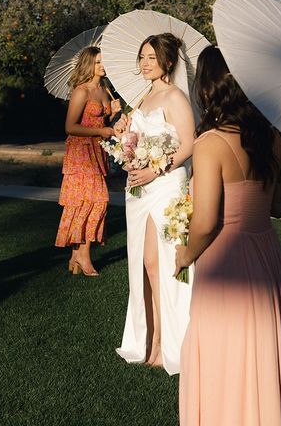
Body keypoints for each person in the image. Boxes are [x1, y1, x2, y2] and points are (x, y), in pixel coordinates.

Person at [175, 45, 281, 425]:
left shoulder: (210, 144)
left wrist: (185, 255)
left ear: (209, 87)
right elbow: (278, 208)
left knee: (223, 351)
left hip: (225, 259)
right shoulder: (272, 140)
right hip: (264, 254)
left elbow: (206, 222)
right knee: (259, 348)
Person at [114, 33, 195, 374]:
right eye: (142, 57)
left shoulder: (175, 96)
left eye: (151, 58)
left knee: (162, 263)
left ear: (169, 62)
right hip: (140, 190)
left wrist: (154, 170)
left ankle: (166, 343)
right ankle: (148, 337)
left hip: (165, 187)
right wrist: (122, 136)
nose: (144, 63)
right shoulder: (144, 97)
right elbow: (136, 141)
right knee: (145, 264)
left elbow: (190, 144)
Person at [55, 47, 121, 276]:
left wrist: (113, 113)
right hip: (81, 152)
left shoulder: (105, 89)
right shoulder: (81, 91)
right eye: (97, 62)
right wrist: (101, 129)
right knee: (94, 201)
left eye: (104, 61)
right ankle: (83, 255)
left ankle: (76, 255)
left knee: (92, 202)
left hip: (97, 152)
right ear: (88, 65)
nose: (102, 65)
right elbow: (70, 126)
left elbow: (104, 123)